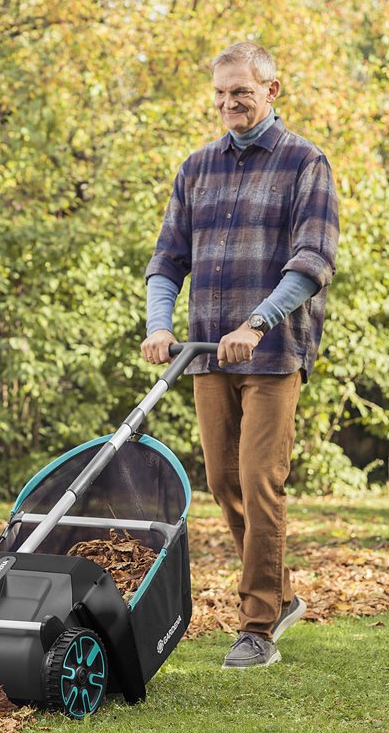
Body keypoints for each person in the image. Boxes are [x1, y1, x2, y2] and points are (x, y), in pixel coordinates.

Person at [141, 41, 339, 669]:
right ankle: (279, 596)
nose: (229, 103)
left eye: (242, 93)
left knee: (259, 480)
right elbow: (168, 259)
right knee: (224, 483)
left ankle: (257, 624)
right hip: (205, 352)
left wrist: (258, 322)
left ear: (272, 90)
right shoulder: (196, 168)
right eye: (221, 93)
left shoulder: (306, 162)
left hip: (274, 350)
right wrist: (158, 324)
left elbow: (312, 263)